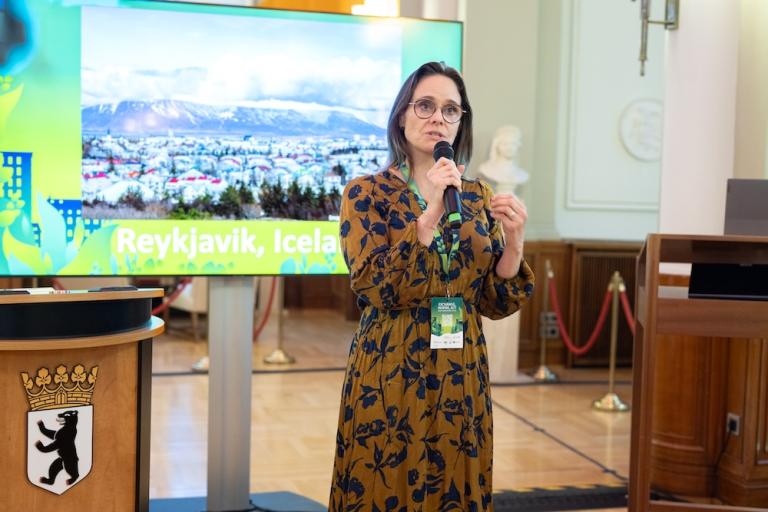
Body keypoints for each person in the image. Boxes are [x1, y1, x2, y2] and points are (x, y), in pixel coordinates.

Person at [329, 61, 535, 511]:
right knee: (384, 484)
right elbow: (372, 287)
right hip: (389, 369)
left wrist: (515, 243)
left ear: (461, 123)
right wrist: (430, 215)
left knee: (454, 488)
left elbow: (494, 301)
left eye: (450, 110)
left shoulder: (476, 195)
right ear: (402, 116)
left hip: (460, 370)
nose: (437, 118)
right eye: (425, 105)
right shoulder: (366, 194)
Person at [477, 125, 530, 195]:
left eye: (513, 144)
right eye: (505, 144)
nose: (509, 148)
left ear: (518, 146)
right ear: (497, 146)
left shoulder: (521, 174)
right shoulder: (486, 169)